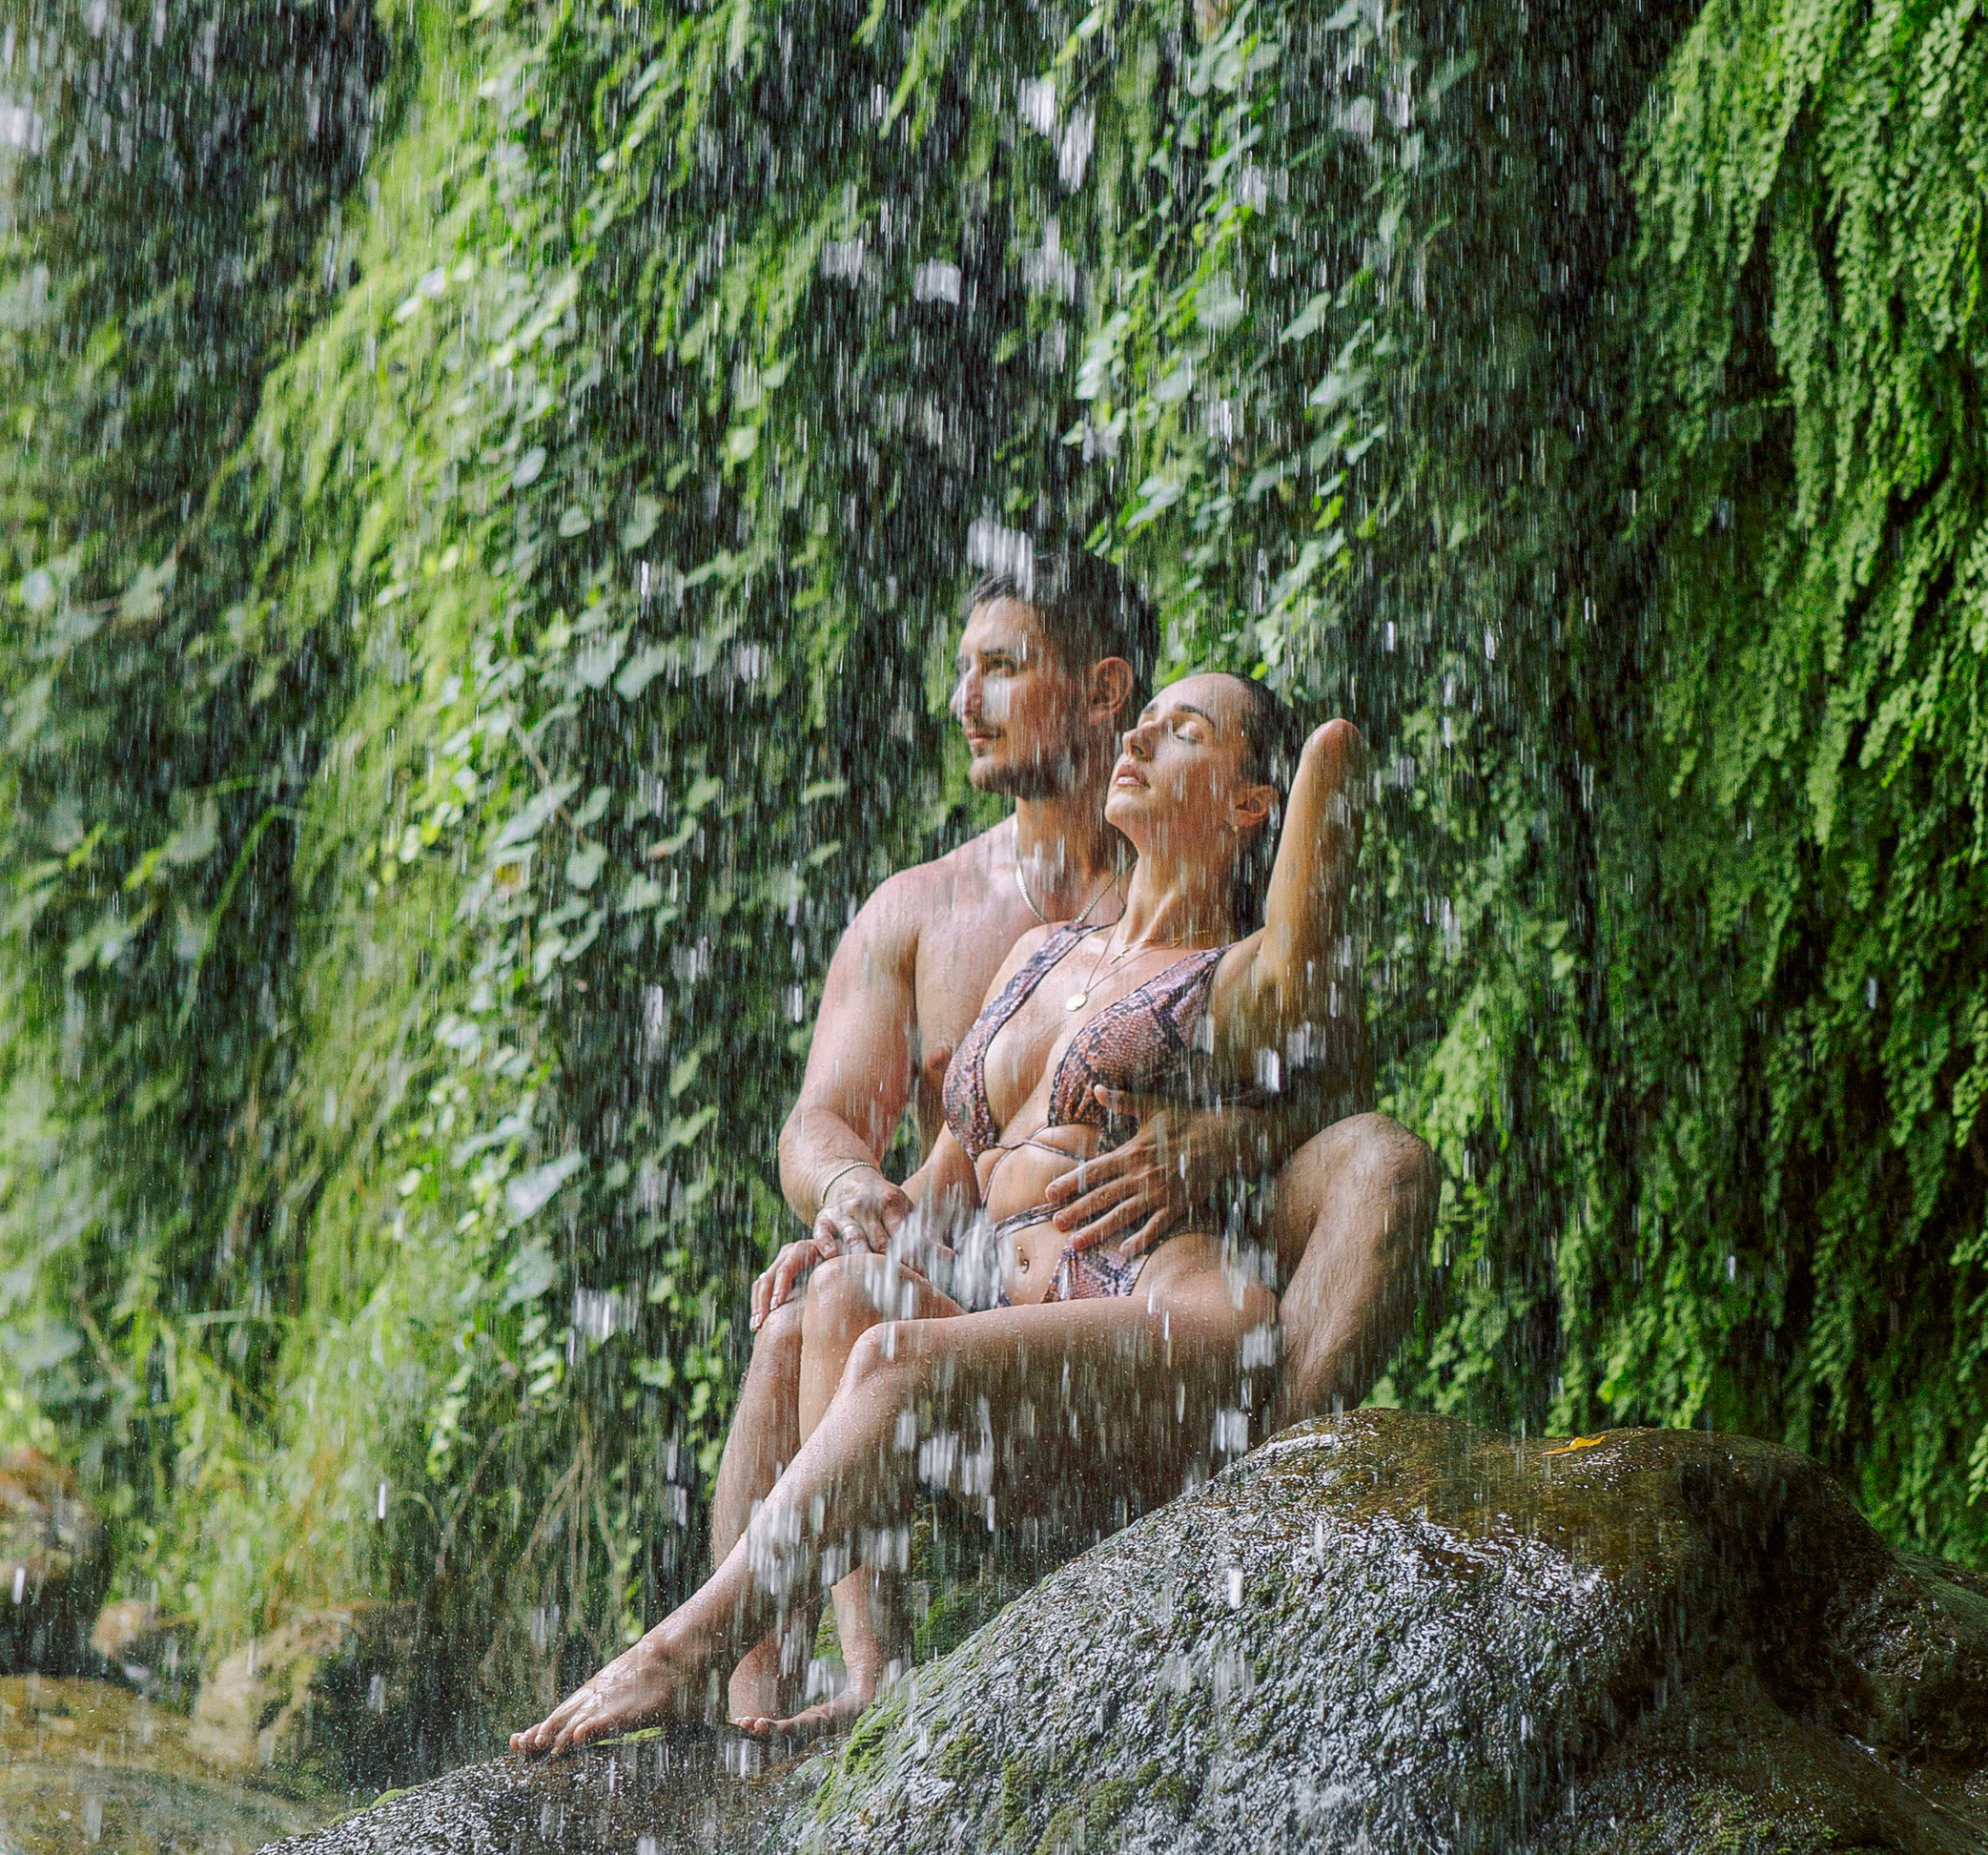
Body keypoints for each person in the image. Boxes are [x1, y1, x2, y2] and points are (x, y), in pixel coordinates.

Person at [515, 676, 1366, 1756]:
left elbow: (1304, 977)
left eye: (1183, 732)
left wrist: (1324, 760)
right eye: (1144, 717)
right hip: (1020, 1337)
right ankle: (852, 1681)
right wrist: (854, 1218)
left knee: (893, 1361)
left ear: (1251, 807)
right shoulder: (1038, 956)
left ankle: (677, 1650)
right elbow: (953, 1172)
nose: (1141, 733)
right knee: (834, 1302)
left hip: (1170, 1322)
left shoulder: (1228, 976)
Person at [714, 542, 1434, 1721]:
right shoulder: (928, 911)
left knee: (1383, 1162)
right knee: (800, 1313)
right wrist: (849, 1193)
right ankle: (762, 1729)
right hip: (990, 1277)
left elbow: (1330, 1060)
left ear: (1100, 691)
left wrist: (1231, 1142)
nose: (966, 703)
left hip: (1178, 1275)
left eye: (1000, 668)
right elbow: (827, 1127)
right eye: (964, 671)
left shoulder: (1210, 848)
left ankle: (1271, 1505)